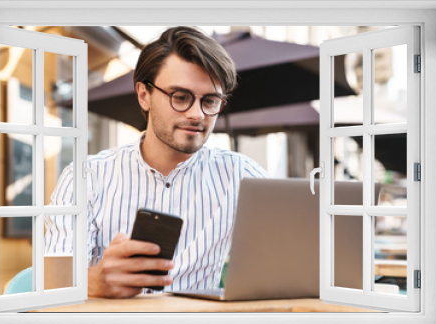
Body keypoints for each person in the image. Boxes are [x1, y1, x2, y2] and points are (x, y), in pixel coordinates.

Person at [44, 26, 268, 299]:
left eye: (209, 101)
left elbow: (289, 259)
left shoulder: (244, 176)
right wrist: (94, 282)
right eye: (180, 97)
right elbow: (52, 287)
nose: (197, 115)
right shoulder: (86, 177)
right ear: (144, 95)